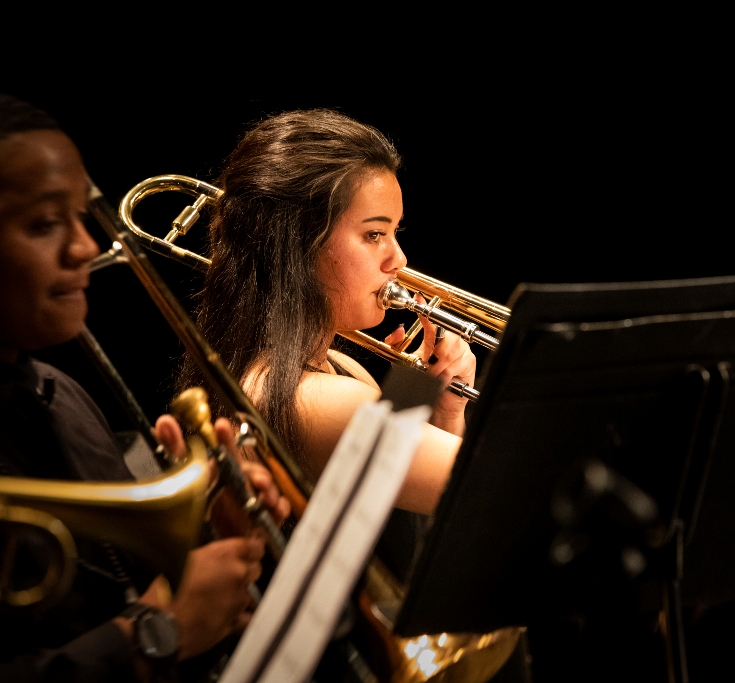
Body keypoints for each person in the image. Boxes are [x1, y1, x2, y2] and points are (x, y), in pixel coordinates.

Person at [0, 95, 289, 682]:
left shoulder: (60, 395)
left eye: (80, 215)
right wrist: (154, 638)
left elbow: (124, 588)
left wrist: (205, 535)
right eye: (44, 223)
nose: (85, 246)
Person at [179, 109, 476, 515]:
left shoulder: (338, 368)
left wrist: (446, 412)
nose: (399, 259)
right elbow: (490, 494)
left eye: (394, 232)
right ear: (298, 246)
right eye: (374, 234)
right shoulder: (322, 403)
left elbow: (430, 529)